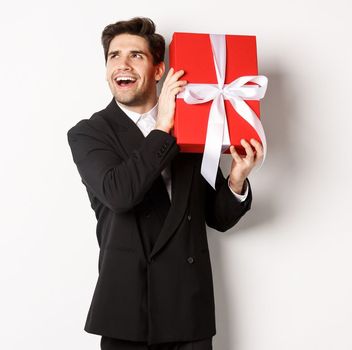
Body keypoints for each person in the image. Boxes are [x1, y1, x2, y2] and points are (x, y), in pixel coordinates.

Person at [67, 17, 262, 350]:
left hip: (189, 308)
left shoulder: (195, 127)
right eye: (114, 56)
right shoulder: (89, 133)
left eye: (135, 56)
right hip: (127, 312)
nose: (122, 64)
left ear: (159, 70)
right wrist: (163, 126)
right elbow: (120, 194)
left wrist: (236, 177)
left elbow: (218, 218)